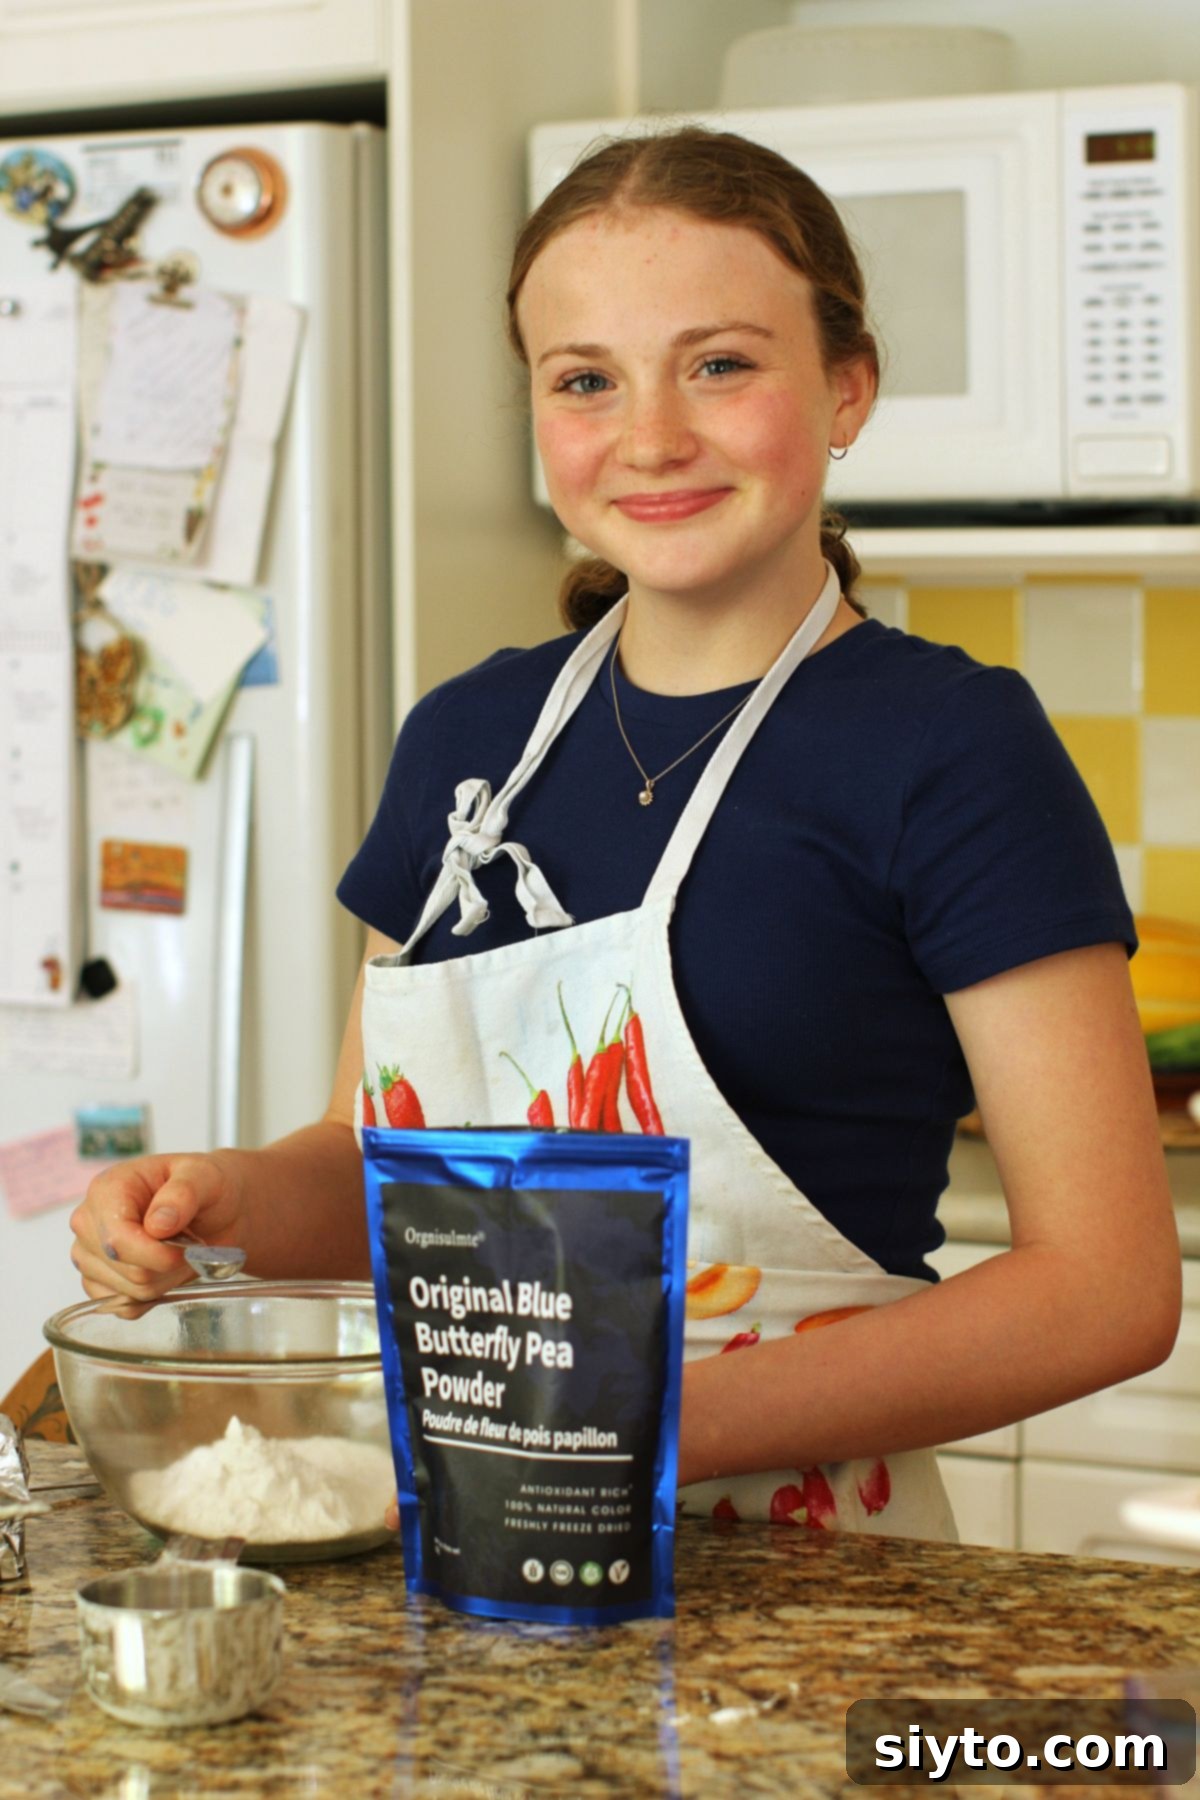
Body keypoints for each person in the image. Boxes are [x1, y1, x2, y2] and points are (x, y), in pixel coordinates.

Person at [70, 127, 1180, 1538]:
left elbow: (1107, 1287)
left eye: (720, 364)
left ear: (847, 388)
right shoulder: (465, 747)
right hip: (467, 1545)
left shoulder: (952, 751)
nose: (650, 436)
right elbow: (380, 1176)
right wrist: (217, 1196)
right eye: (585, 380)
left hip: (804, 1583)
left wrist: (645, 1420)